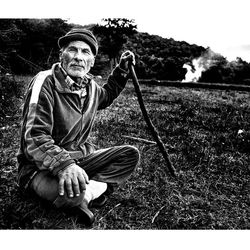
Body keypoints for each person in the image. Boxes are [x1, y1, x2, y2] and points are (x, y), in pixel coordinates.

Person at [17, 28, 140, 226]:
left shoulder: (90, 87)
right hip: (39, 168)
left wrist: (122, 71)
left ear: (91, 61)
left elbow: (106, 95)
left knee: (129, 155)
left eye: (85, 52)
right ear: (61, 55)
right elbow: (34, 136)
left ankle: (85, 193)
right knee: (74, 194)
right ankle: (86, 192)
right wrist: (64, 166)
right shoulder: (45, 82)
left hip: (79, 160)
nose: (78, 57)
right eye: (72, 50)